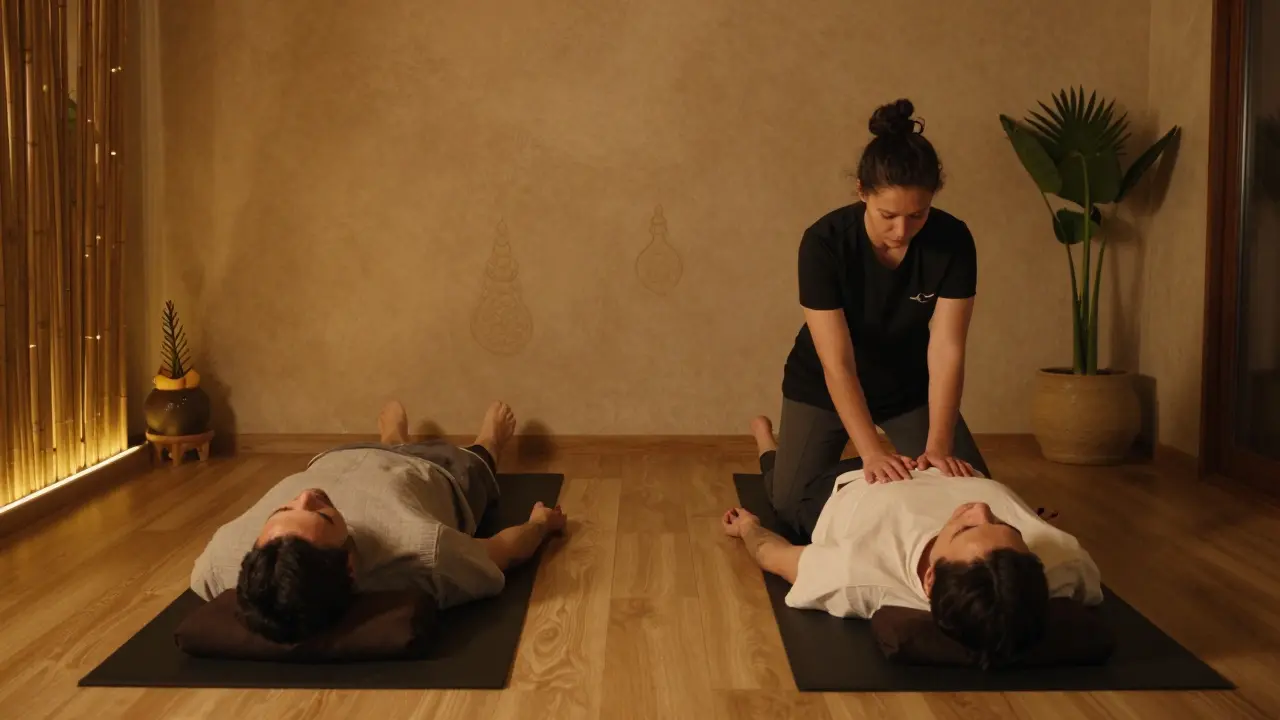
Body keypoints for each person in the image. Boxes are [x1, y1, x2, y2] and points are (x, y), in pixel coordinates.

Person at [767, 97, 989, 532]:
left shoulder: (953, 240)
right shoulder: (824, 242)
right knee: (790, 510)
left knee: (971, 492)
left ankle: (890, 463)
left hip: (906, 387)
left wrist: (939, 445)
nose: (902, 231)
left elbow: (947, 349)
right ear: (861, 193)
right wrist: (871, 452)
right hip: (823, 385)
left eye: (917, 215)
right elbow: (837, 363)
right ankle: (769, 449)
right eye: (888, 215)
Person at [189, 399, 566, 644]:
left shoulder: (219, 559)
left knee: (384, 447)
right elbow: (501, 551)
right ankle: (489, 441)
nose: (307, 495)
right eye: (321, 514)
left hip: (339, 457)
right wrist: (540, 524)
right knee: (477, 462)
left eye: (284, 511)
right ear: (349, 566)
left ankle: (391, 438)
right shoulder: (421, 550)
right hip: (437, 471)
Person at [724, 426, 1102, 668]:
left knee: (784, 497)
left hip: (853, 481)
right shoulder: (1062, 562)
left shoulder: (858, 575)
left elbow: (773, 556)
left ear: (931, 576)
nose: (981, 509)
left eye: (965, 529)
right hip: (947, 463)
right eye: (1009, 529)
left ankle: (765, 442)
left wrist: (748, 528)